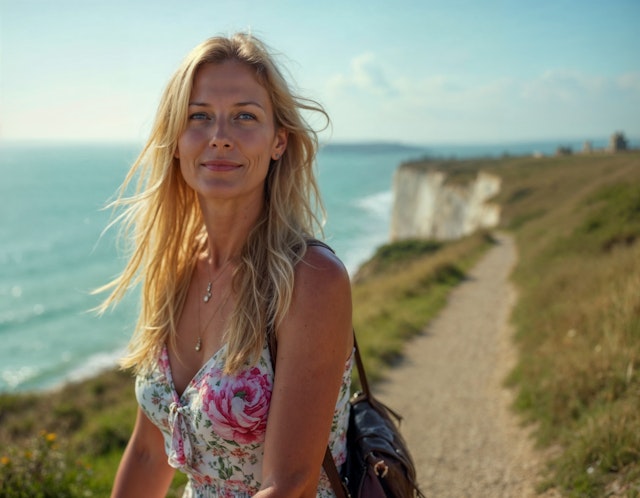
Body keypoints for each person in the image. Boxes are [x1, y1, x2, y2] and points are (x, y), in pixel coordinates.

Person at [99, 33, 354, 498]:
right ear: (176, 142)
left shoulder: (310, 280)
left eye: (244, 117)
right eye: (199, 117)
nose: (219, 137)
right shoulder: (172, 271)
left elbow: (289, 485)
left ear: (278, 141)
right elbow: (148, 452)